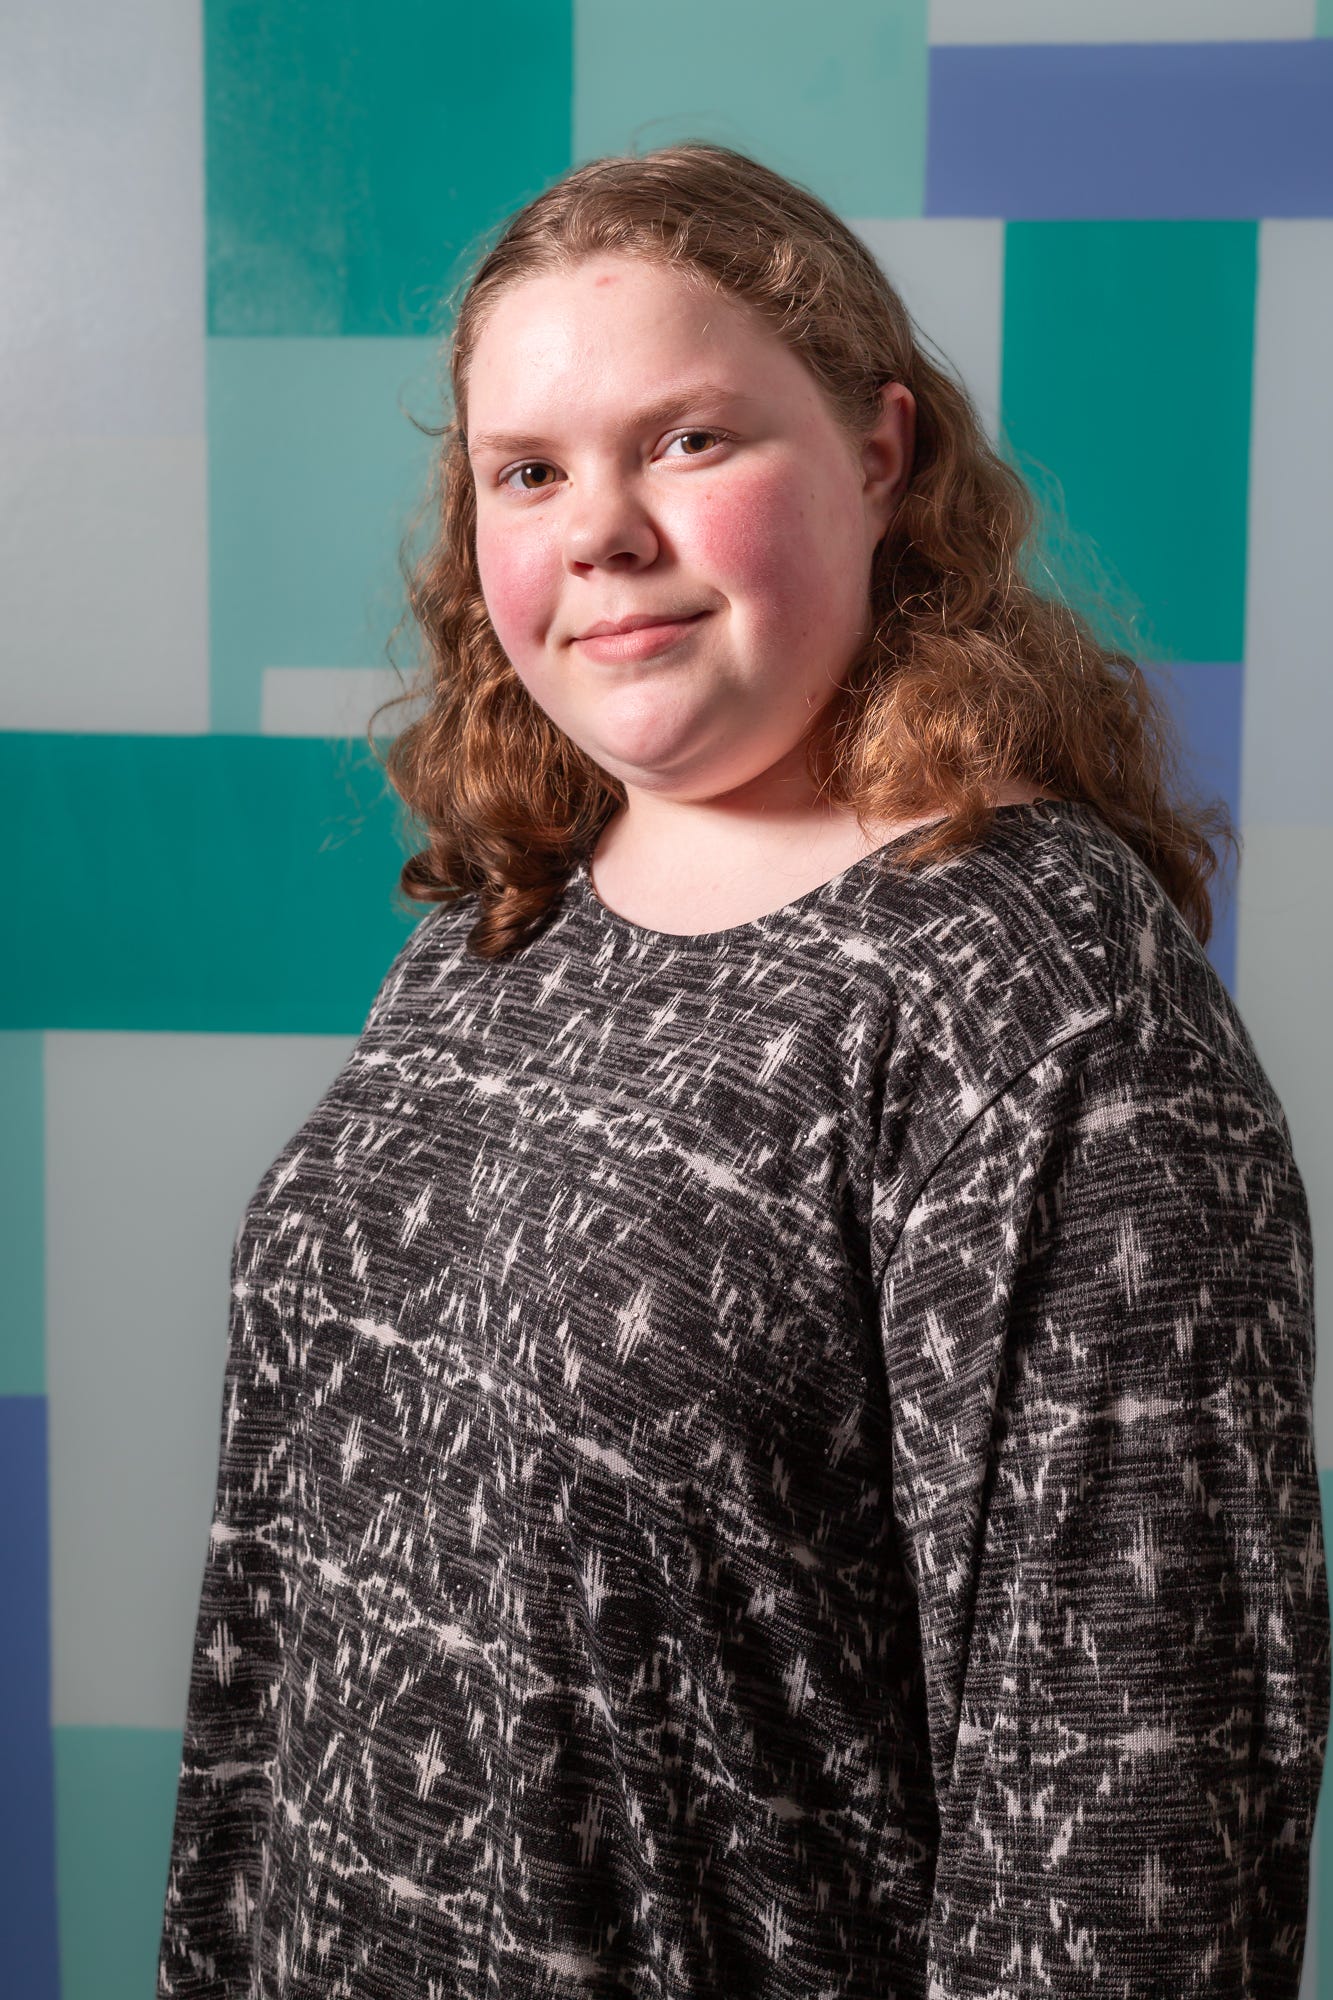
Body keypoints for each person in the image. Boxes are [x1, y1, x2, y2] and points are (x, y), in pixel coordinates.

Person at [157, 142, 1328, 1999]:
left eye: (687, 441)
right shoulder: (504, 923)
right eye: (528, 473)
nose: (601, 529)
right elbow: (272, 1635)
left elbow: (1134, 1813)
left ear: (880, 458)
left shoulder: (1033, 1003)